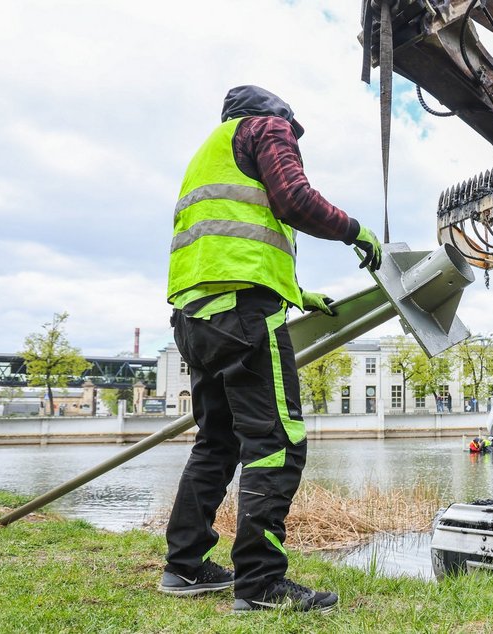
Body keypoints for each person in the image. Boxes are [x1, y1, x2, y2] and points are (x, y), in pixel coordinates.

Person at [160, 85, 382, 613]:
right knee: (277, 441)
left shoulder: (208, 151)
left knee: (216, 443)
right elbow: (294, 199)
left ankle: (184, 567)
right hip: (244, 317)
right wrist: (357, 232)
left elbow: (227, 243)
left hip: (195, 318)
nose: (292, 138)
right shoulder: (264, 127)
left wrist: (299, 293)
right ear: (275, 114)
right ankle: (260, 583)